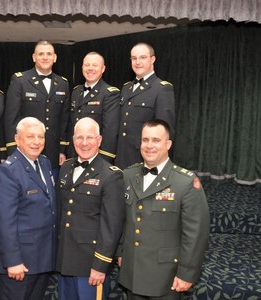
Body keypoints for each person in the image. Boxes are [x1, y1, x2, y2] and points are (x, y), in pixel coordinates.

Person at [117, 119, 210, 300]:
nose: (149, 145)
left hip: (165, 277)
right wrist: (121, 252)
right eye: (145, 140)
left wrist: (187, 273)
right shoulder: (127, 175)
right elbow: (122, 219)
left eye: (156, 140)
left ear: (168, 144)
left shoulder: (185, 182)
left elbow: (196, 234)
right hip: (133, 270)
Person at [56, 117, 125, 300]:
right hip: (65, 259)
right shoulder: (66, 168)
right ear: (73, 139)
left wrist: (101, 265)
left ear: (99, 140)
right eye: (79, 137)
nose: (84, 143)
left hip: (90, 264)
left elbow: (112, 226)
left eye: (90, 137)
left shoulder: (111, 175)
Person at [0, 117, 57, 300]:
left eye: (41, 137)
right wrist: (13, 260)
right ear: (17, 139)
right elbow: (4, 221)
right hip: (20, 263)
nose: (36, 142)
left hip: (42, 258)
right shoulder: (8, 171)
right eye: (30, 137)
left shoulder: (44, 163)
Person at [4, 40, 70, 177]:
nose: (45, 57)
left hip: (53, 153)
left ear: (55, 57)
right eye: (41, 54)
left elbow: (64, 119)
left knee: (50, 195)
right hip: (25, 151)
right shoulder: (20, 80)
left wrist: (62, 149)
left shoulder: (63, 83)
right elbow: (11, 117)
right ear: (34, 57)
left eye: (49, 54)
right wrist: (12, 150)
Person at [115, 42, 175, 170]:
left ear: (152, 59)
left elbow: (164, 131)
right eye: (134, 58)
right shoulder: (126, 88)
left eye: (143, 57)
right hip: (121, 155)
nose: (137, 62)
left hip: (144, 158)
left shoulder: (162, 88)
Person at [68, 52, 120, 163]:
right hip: (75, 154)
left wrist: (104, 159)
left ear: (103, 69)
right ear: (82, 67)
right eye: (87, 65)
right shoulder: (76, 92)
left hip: (96, 157)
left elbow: (110, 130)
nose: (90, 68)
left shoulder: (109, 93)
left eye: (95, 65)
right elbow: (71, 125)